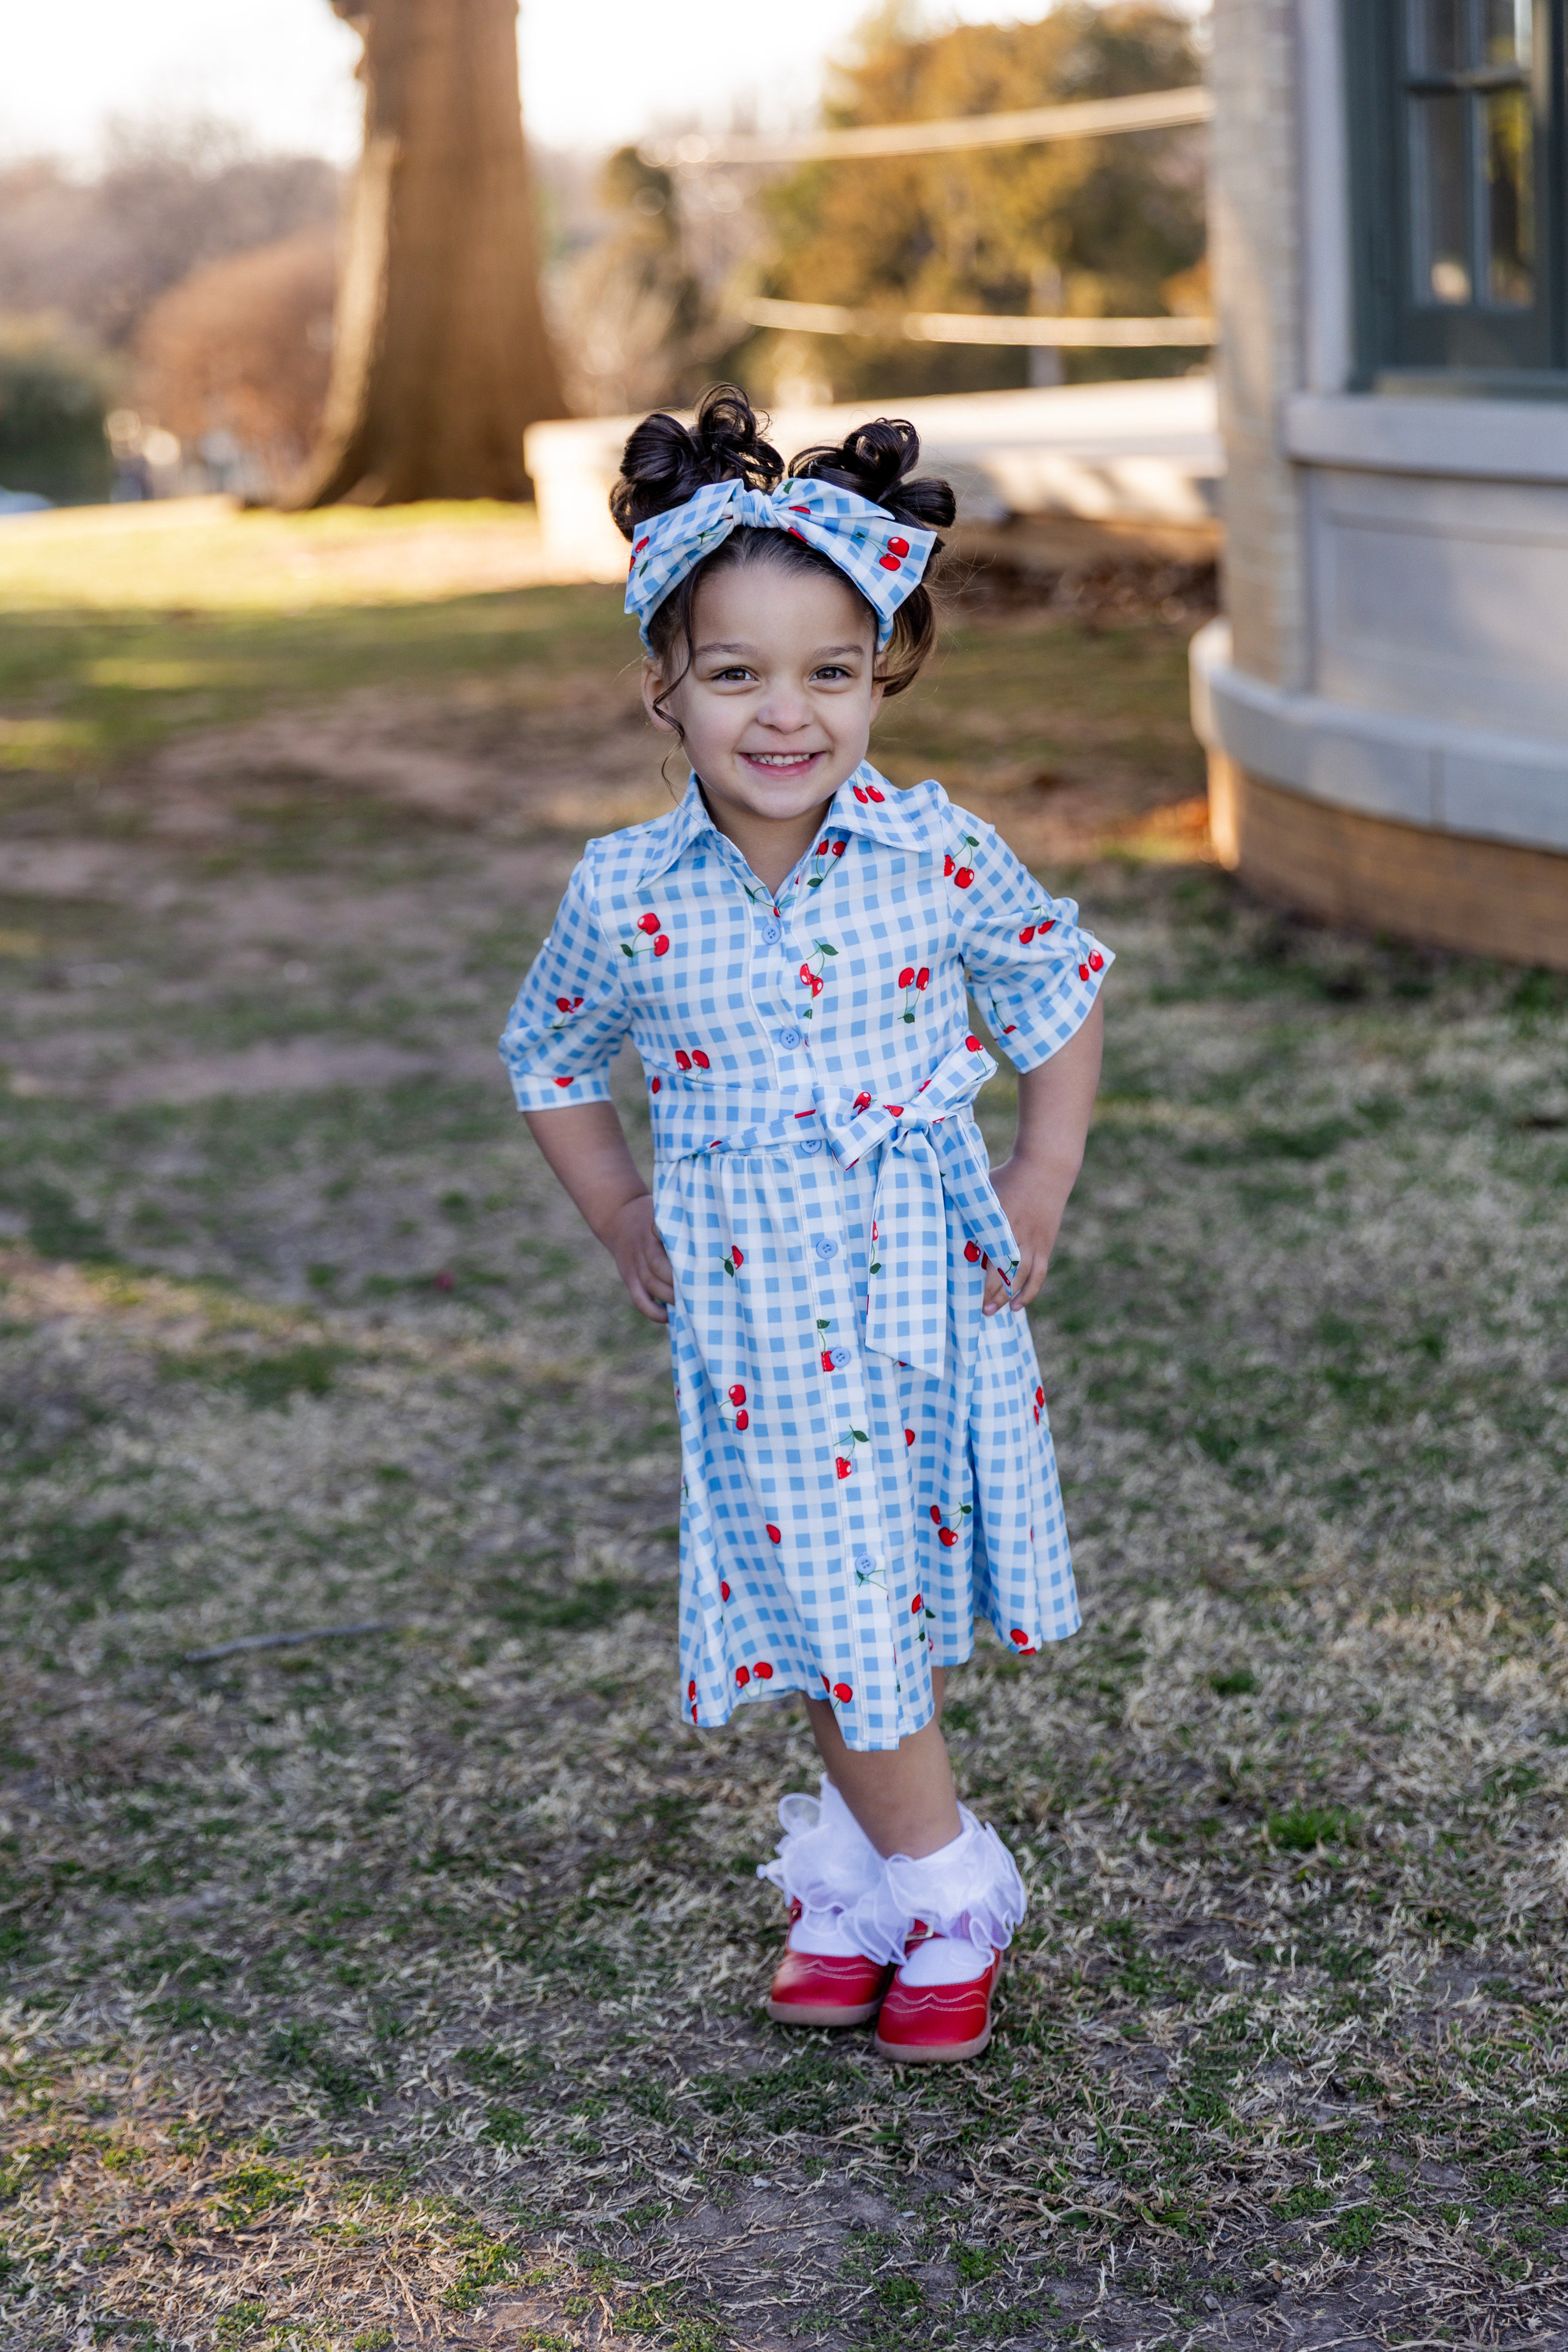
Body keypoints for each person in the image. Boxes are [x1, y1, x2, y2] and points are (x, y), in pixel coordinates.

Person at [500, 385, 1109, 2064]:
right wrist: (618, 1207)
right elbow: (549, 1055)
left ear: (879, 675)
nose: (787, 714)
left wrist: (1041, 1178)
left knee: (874, 1598)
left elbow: (1058, 994)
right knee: (820, 1594)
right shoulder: (626, 892)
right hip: (756, 1318)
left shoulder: (937, 853)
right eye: (737, 674)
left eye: (830, 673)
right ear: (665, 685)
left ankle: (892, 1884)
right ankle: (925, 1884)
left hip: (926, 1289)